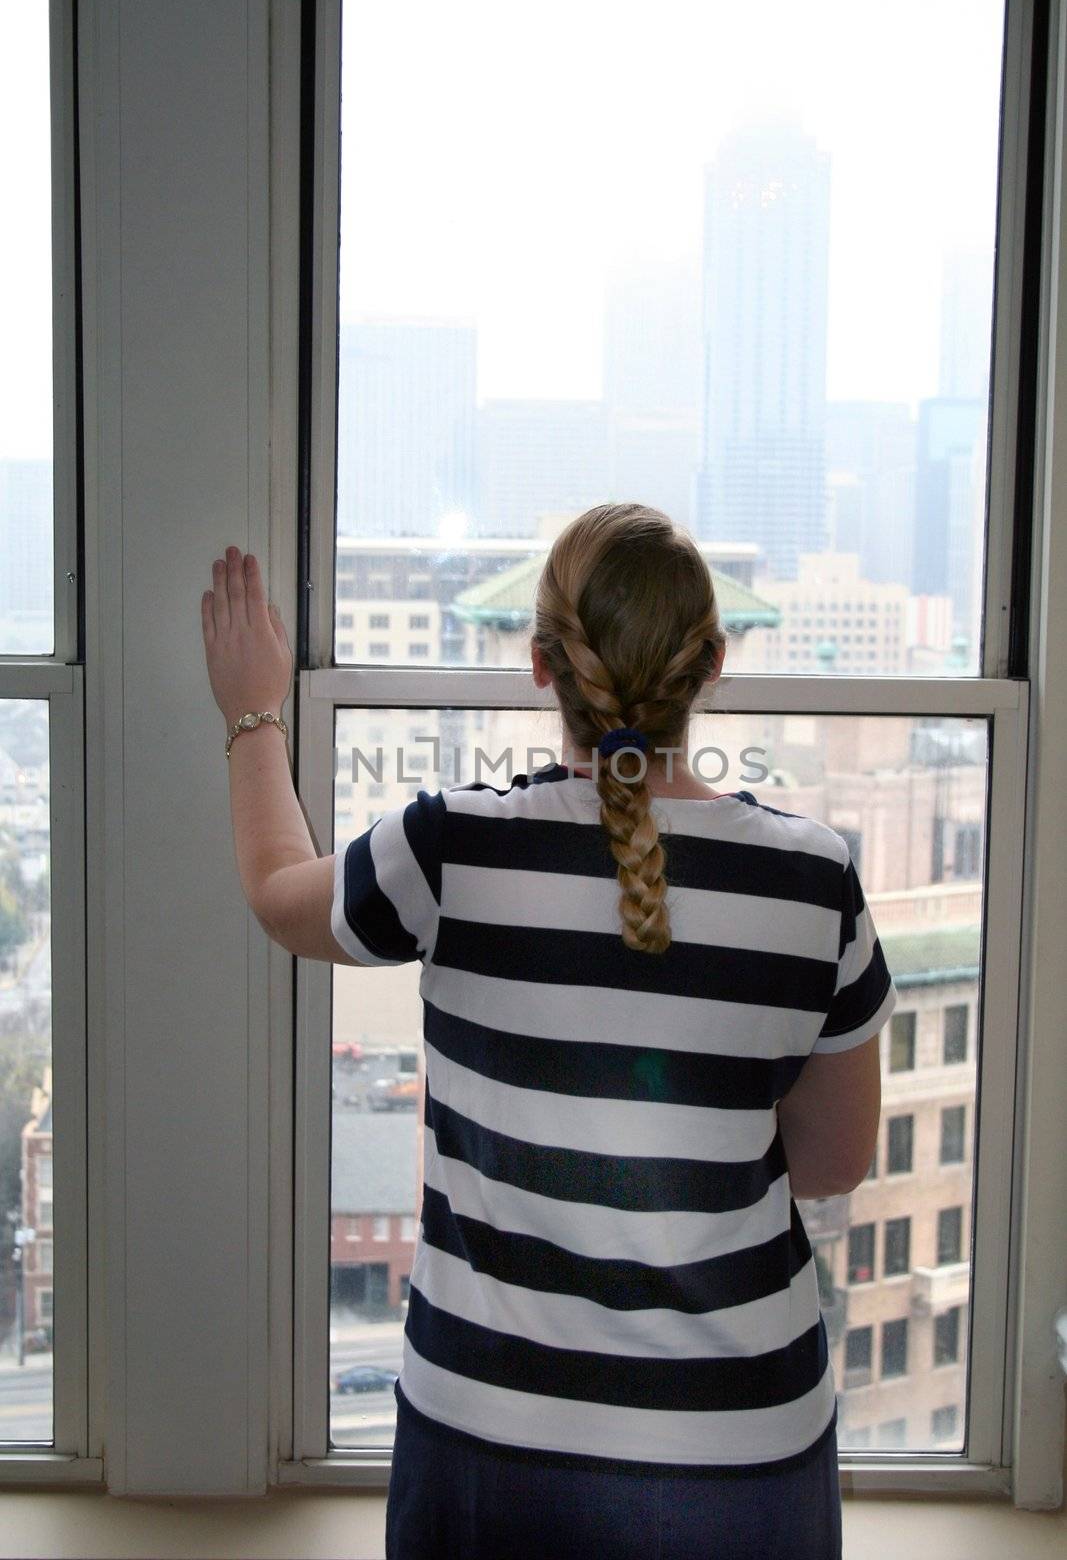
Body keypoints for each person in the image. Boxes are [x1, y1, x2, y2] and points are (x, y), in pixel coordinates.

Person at [201, 504, 897, 1559]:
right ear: (711, 663)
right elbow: (831, 1162)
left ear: (539, 664)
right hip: (739, 1454)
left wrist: (253, 713)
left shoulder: (450, 850)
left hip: (488, 1439)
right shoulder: (812, 880)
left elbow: (276, 892)